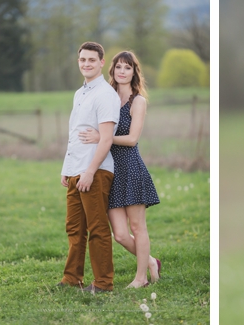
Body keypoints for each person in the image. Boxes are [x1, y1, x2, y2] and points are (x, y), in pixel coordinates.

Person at [80, 50, 162, 288]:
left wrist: (102, 137)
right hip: (110, 169)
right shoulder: (108, 98)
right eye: (119, 67)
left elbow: (132, 139)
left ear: (135, 72)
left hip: (131, 168)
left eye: (128, 67)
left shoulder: (138, 101)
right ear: (112, 71)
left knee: (137, 227)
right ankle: (151, 263)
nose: (122, 71)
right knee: (121, 235)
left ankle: (141, 278)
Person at [57, 41, 119, 293]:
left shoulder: (105, 95)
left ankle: (104, 283)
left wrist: (90, 171)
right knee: (74, 228)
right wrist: (67, 168)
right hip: (75, 169)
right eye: (82, 59)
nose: (86, 64)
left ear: (102, 63)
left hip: (95, 171)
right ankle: (72, 278)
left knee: (97, 228)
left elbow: (105, 139)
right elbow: (75, 133)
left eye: (91, 60)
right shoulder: (79, 93)